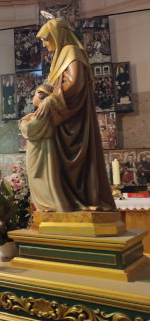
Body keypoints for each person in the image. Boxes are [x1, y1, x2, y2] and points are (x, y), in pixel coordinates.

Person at [35, 18, 115, 211]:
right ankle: (67, 202)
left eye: (47, 39)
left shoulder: (72, 52)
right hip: (63, 120)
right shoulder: (60, 57)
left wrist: (49, 100)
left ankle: (79, 202)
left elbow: (75, 84)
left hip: (74, 120)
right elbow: (57, 84)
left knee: (77, 165)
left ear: (58, 35)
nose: (45, 44)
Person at [19, 83, 69, 211]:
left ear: (41, 96)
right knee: (41, 177)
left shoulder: (43, 112)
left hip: (40, 150)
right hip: (40, 147)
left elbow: (29, 130)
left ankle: (48, 206)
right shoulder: (41, 112)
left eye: (34, 94)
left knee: (40, 177)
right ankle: (47, 206)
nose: (32, 98)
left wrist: (24, 120)